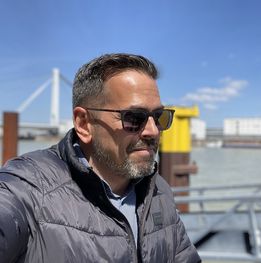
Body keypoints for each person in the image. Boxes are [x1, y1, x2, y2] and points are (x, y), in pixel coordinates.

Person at [0, 53, 201, 263]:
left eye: (159, 117)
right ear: (84, 124)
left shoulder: (158, 190)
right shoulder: (27, 190)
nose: (153, 131)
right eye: (133, 118)